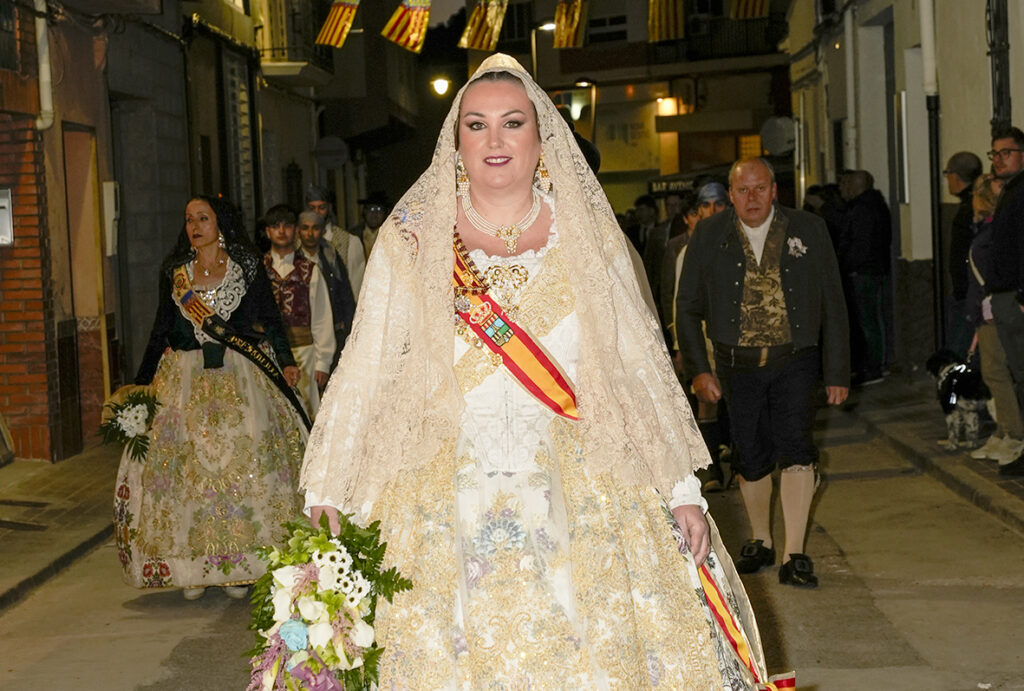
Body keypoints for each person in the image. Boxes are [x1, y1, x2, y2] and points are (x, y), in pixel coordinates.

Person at [300, 55, 774, 688]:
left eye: (512, 122)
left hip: (582, 481)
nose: (494, 139)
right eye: (476, 124)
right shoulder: (410, 239)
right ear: (456, 141)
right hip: (441, 483)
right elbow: (367, 364)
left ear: (541, 136)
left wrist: (680, 487)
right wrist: (330, 484)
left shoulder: (587, 233)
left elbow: (635, 362)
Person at [114, 195, 308, 600]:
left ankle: (239, 566)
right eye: (189, 219)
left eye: (203, 218)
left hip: (241, 378)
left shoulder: (245, 267)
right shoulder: (175, 273)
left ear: (221, 224)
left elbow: (271, 319)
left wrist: (286, 361)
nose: (194, 226)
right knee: (186, 470)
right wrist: (141, 382)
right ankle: (193, 569)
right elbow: (160, 329)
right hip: (185, 382)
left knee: (246, 462)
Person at [677, 157, 850, 588]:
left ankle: (795, 553)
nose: (751, 198)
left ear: (774, 191)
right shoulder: (709, 235)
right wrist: (699, 370)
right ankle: (761, 540)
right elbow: (687, 307)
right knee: (750, 452)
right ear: (731, 194)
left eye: (760, 189)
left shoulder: (808, 229)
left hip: (795, 358)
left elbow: (833, 302)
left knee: (796, 448)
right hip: (736, 365)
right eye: (742, 190)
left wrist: (837, 371)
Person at [964, 174, 1024, 468]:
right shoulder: (986, 229)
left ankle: (1013, 433)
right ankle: (1004, 430)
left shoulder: (992, 233)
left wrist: (986, 307)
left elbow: (993, 272)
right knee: (994, 372)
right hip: (987, 310)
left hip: (992, 310)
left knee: (997, 372)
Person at [263, 204, 336, 419]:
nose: (281, 231)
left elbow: (322, 318)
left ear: (295, 231)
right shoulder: (258, 269)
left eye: (287, 225)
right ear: (267, 231)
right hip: (268, 353)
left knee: (305, 413)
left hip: (305, 355)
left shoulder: (309, 270)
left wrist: (323, 362)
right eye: (275, 226)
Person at [985, 126, 1024, 476]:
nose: (998, 159)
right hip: (1004, 294)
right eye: (994, 154)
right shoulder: (1010, 191)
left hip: (1016, 296)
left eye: (1006, 153)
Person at [837, 169, 892, 385]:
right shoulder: (874, 206)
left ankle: (872, 367)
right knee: (872, 320)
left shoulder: (863, 210)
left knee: (867, 322)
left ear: (856, 186)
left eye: (847, 184)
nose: (843, 189)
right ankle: (874, 364)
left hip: (863, 273)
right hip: (870, 270)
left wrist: (849, 266)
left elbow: (860, 245)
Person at [296, 209, 356, 361]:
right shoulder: (292, 261)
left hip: (335, 333)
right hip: (304, 340)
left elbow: (346, 296)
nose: (310, 233)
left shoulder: (331, 258)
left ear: (322, 231)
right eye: (305, 228)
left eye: (315, 228)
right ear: (298, 231)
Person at [944, 152, 983, 358]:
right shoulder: (971, 205)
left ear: (955, 176)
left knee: (960, 347)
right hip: (970, 289)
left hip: (968, 291)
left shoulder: (969, 209)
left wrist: (963, 288)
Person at [305, 184, 365, 300]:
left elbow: (356, 288)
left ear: (329, 208)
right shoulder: (297, 243)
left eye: (321, 208)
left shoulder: (349, 242)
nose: (316, 213)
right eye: (312, 208)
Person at [350, 190, 391, 260]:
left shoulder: (391, 236)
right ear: (365, 211)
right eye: (371, 209)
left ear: (385, 213)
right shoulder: (352, 236)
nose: (374, 213)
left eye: (379, 209)